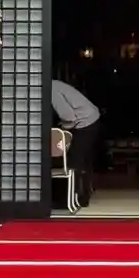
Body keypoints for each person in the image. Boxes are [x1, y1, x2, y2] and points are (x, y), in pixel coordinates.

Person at [51, 78, 100, 207]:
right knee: (85, 160)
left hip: (85, 122)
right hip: (92, 117)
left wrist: (60, 129)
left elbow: (68, 116)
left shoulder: (51, 91)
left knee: (75, 161)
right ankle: (83, 196)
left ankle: (73, 197)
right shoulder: (55, 84)